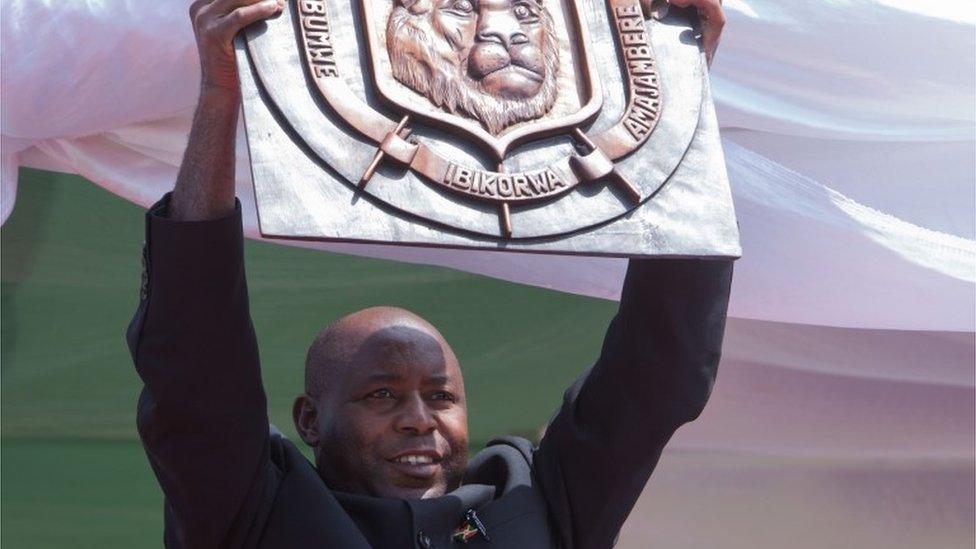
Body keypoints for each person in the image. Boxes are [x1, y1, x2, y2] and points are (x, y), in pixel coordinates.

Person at [127, 0, 730, 547]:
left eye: (440, 396)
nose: (419, 419)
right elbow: (195, 364)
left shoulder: (534, 499)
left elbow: (658, 370)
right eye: (381, 393)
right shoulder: (255, 512)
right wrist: (220, 92)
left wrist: (677, 90)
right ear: (310, 419)